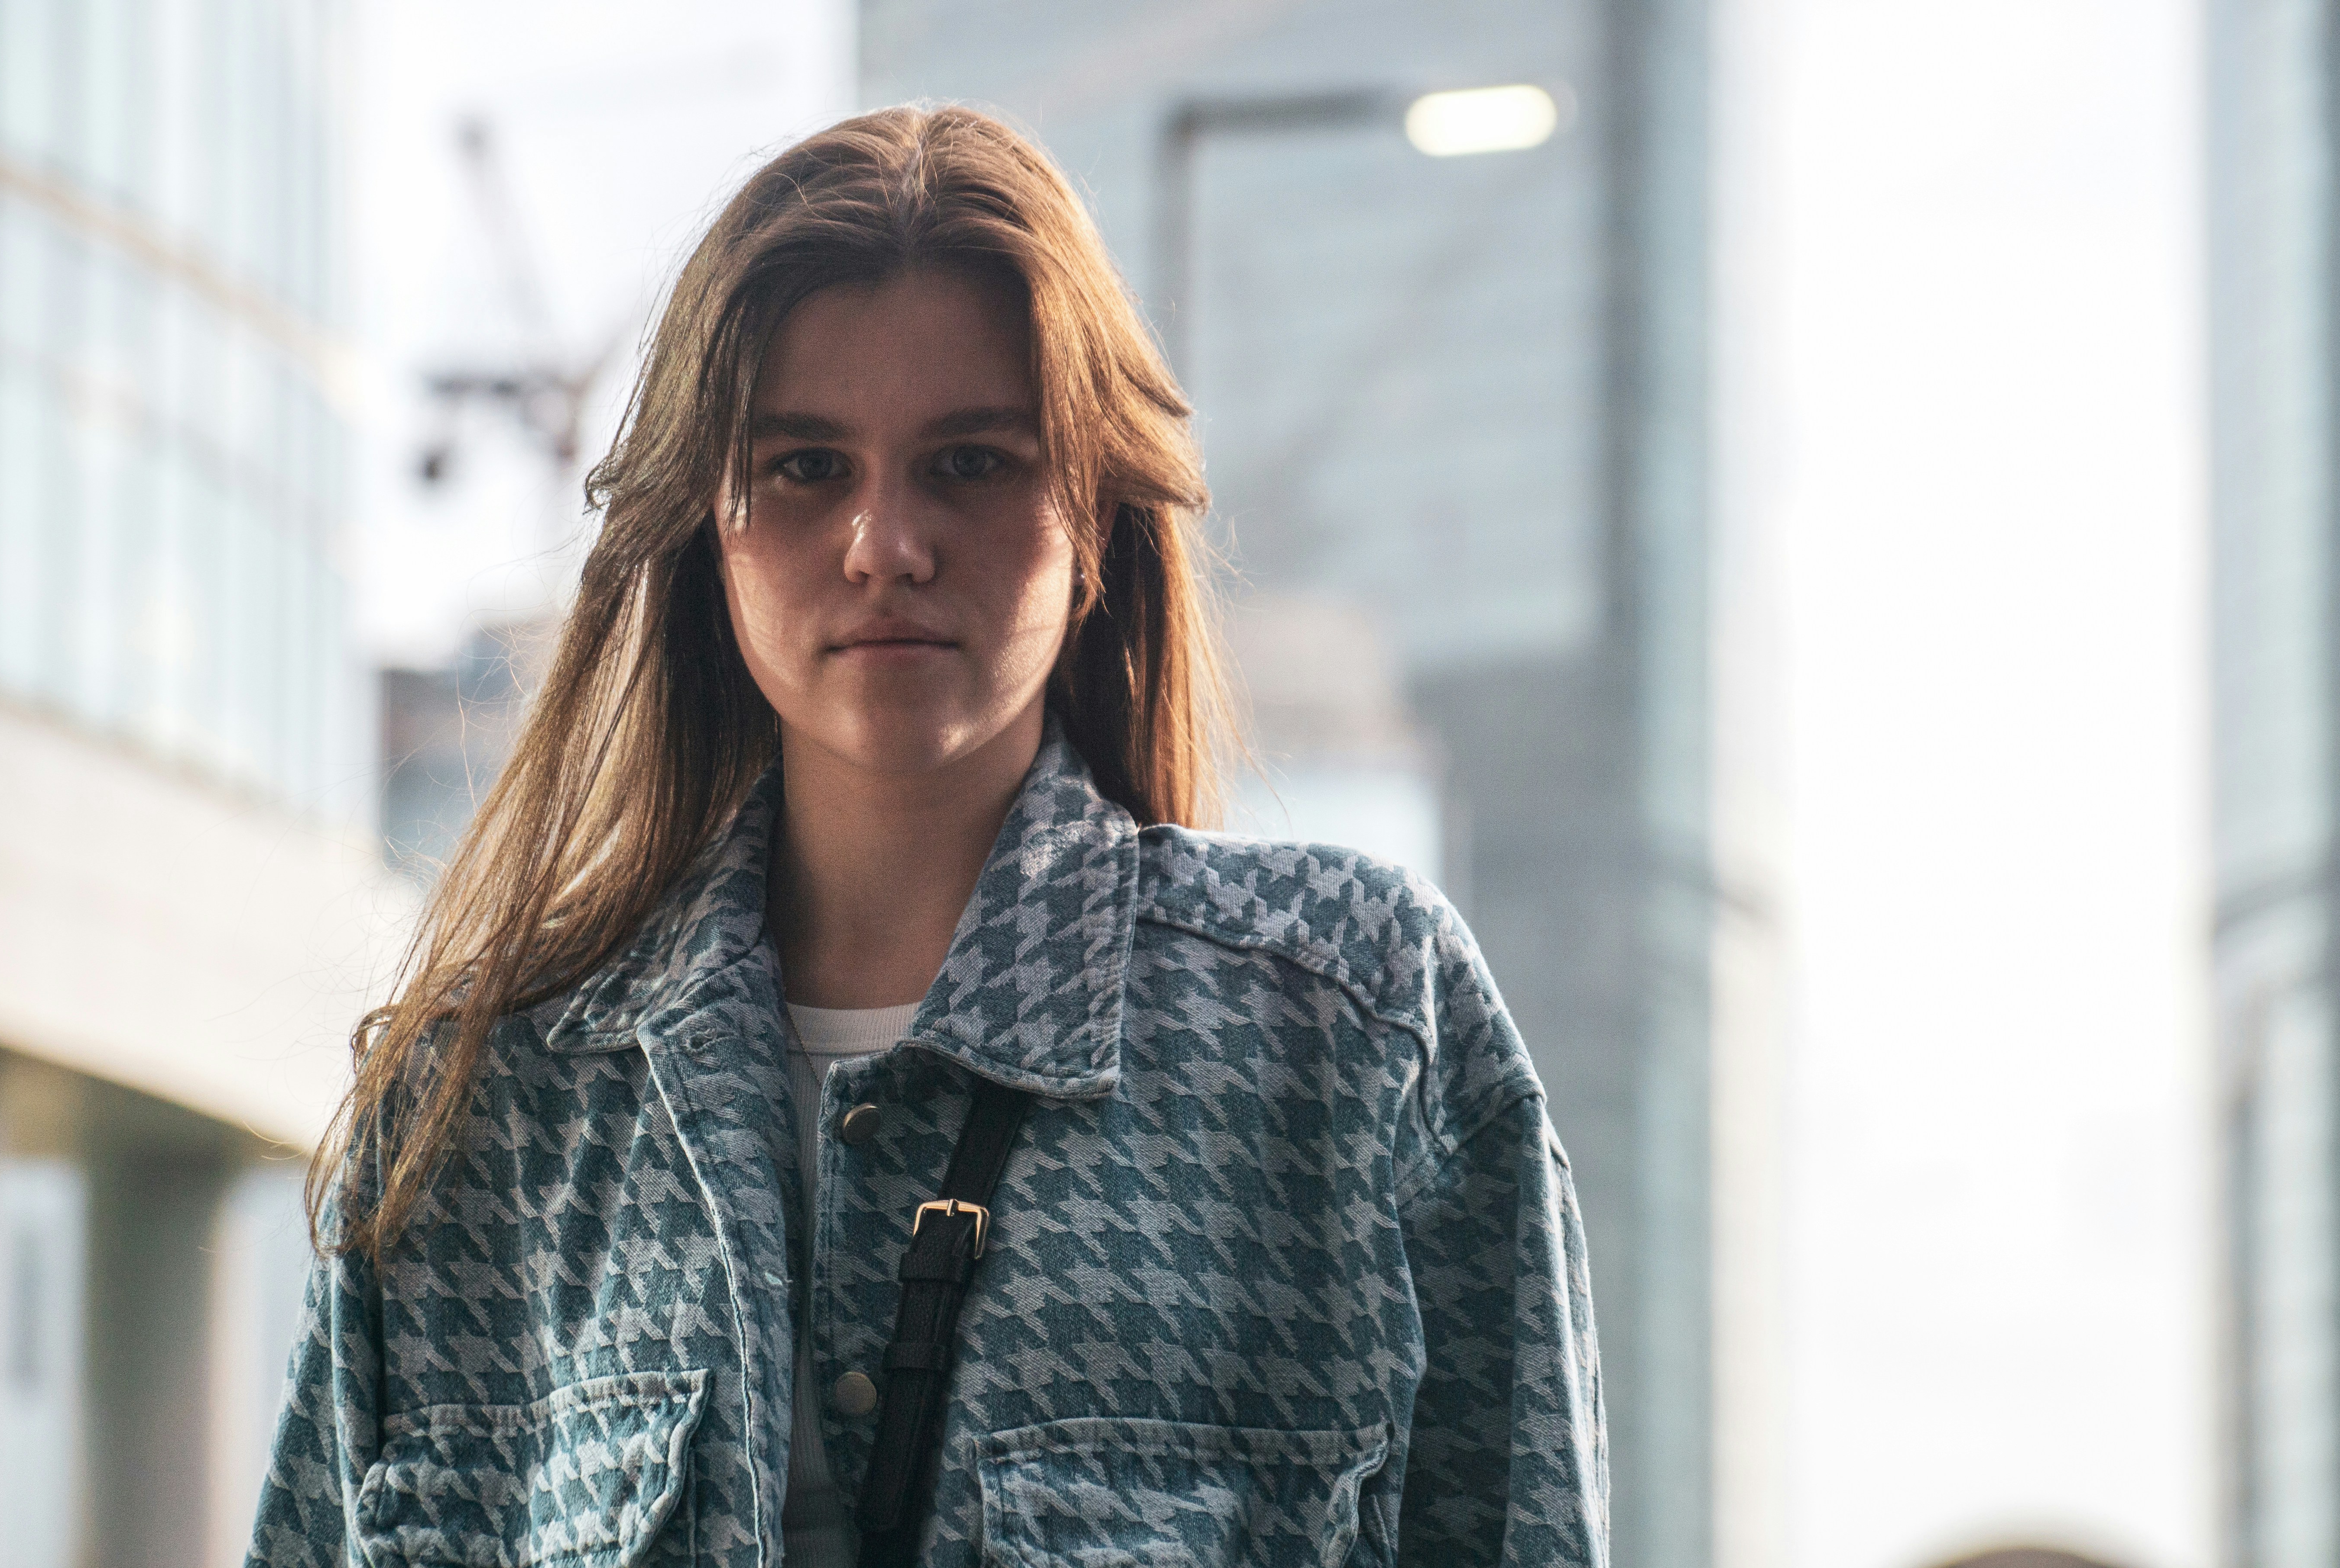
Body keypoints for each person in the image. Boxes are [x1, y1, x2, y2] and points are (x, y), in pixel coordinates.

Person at [248, 104, 1606, 1568]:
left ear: (1094, 511)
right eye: (806, 467)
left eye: (970, 463)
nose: (885, 543)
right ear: (709, 524)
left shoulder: (1353, 1027)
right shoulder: (478, 1116)